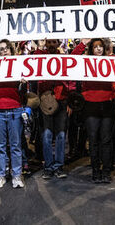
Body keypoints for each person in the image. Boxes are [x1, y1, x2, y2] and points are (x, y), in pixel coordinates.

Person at [76, 38, 115, 183]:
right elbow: (71, 59)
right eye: (95, 47)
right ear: (91, 49)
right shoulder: (84, 62)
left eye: (101, 46)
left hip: (107, 104)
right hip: (90, 105)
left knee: (106, 140)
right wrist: (82, 44)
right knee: (93, 140)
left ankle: (106, 172)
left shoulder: (112, 61)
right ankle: (95, 172)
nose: (98, 49)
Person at [0, 40, 26, 189]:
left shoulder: (19, 65)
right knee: (0, 145)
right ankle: (0, 175)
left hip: (14, 108)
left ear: (11, 50)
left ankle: (17, 175)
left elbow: (24, 91)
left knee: (16, 145)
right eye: (1, 49)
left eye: (7, 49)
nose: (4, 51)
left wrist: (23, 83)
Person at [36, 39, 69, 180]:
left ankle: (59, 166)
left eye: (53, 42)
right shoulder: (39, 56)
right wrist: (40, 46)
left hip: (61, 102)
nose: (50, 45)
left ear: (58, 44)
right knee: (47, 135)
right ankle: (48, 167)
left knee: (61, 136)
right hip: (46, 102)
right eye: (48, 42)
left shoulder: (64, 59)